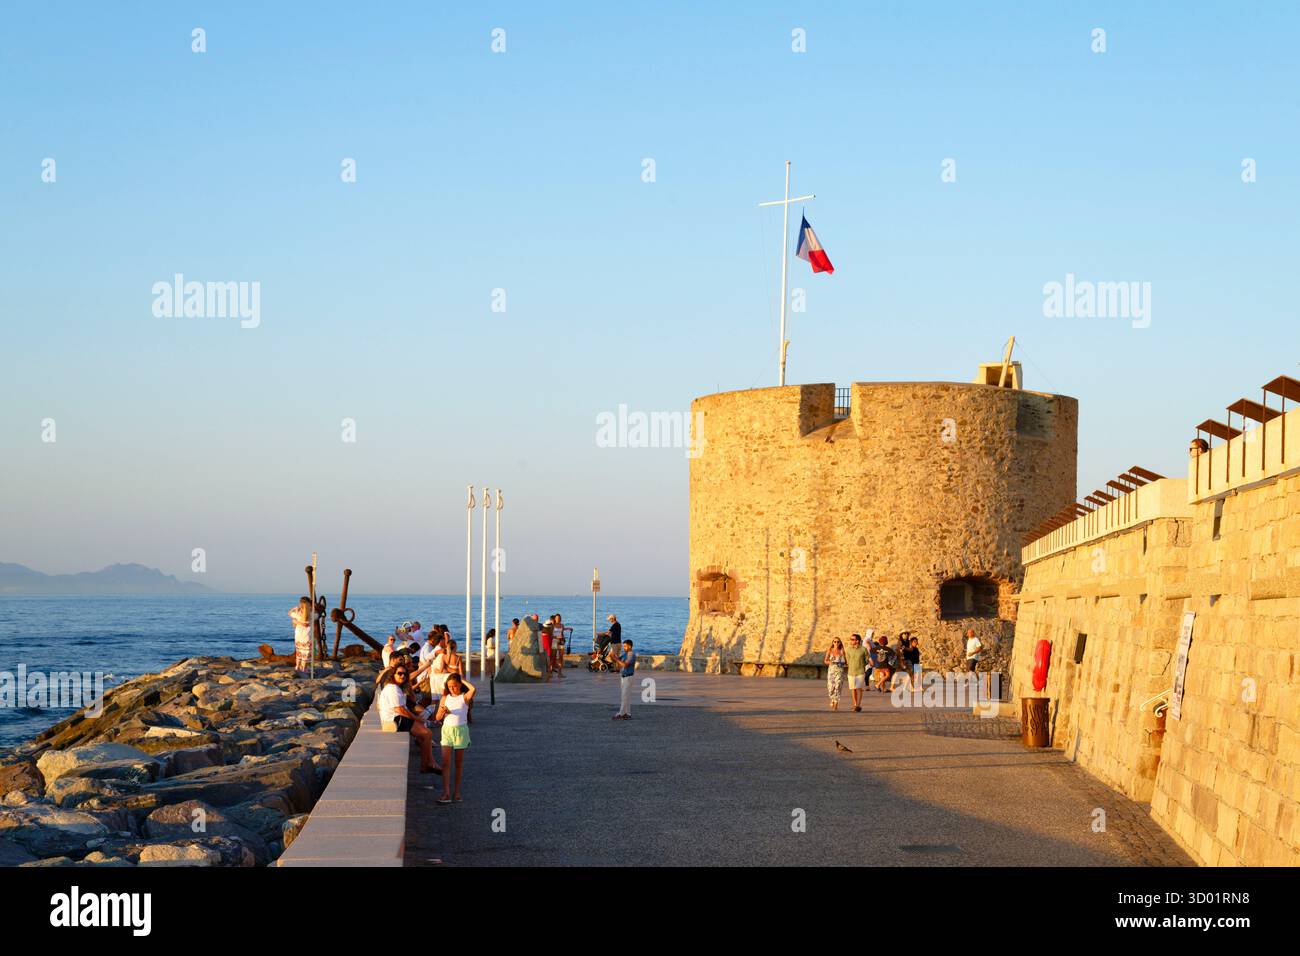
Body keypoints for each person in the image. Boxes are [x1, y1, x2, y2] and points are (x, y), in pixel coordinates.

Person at [377, 663, 439, 774]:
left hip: (397, 718)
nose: (402, 676)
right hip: (395, 720)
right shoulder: (393, 688)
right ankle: (426, 765)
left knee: (426, 734)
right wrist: (416, 718)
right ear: (393, 675)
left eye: (405, 674)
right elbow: (399, 710)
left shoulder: (395, 687)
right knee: (427, 734)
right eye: (399, 673)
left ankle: (429, 763)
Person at [435, 673, 476, 803]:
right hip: (447, 730)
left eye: (454, 685)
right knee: (445, 763)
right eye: (449, 686)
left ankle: (457, 792)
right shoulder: (444, 698)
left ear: (459, 685)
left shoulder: (464, 697)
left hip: (461, 731)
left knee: (458, 764)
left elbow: (473, 689)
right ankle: (446, 792)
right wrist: (442, 712)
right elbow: (437, 718)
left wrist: (462, 679)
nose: (452, 688)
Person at [612, 639, 637, 720]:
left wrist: (615, 659)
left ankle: (621, 713)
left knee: (624, 696)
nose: (624, 648)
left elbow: (625, 665)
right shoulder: (625, 654)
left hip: (628, 677)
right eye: (624, 646)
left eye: (625, 646)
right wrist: (612, 657)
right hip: (623, 677)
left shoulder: (631, 654)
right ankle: (627, 713)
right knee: (626, 696)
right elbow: (617, 661)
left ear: (630, 646)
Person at [844, 633, 869, 712]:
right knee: (853, 689)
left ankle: (858, 705)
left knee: (858, 688)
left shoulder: (863, 649)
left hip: (860, 672)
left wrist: (866, 663)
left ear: (857, 641)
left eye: (852, 639)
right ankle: (855, 704)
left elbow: (867, 659)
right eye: (850, 639)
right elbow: (847, 660)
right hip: (851, 672)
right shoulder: (848, 649)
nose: (850, 641)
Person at [289, 597, 313, 674]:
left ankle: (298, 667)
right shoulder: (312, 614)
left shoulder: (297, 613)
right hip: (306, 635)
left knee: (299, 650)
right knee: (306, 652)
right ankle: (304, 668)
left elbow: (289, 613)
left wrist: (295, 608)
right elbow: (318, 615)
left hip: (298, 634)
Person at [824, 638, 847, 711]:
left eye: (838, 642)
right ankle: (832, 699)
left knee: (838, 685)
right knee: (831, 687)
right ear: (833, 642)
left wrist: (842, 661)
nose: (836, 643)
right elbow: (825, 661)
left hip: (839, 670)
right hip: (831, 670)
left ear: (840, 643)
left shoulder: (842, 651)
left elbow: (845, 661)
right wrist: (830, 662)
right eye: (835, 641)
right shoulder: (830, 650)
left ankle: (836, 703)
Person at [552, 613, 567, 678]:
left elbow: (562, 633)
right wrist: (557, 637)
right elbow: (551, 635)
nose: (558, 619)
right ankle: (550, 673)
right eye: (557, 618)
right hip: (554, 641)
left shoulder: (562, 625)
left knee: (561, 657)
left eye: (559, 618)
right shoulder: (553, 625)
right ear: (555, 619)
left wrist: (563, 638)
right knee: (553, 657)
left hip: (561, 642)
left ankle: (560, 673)